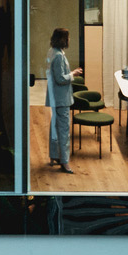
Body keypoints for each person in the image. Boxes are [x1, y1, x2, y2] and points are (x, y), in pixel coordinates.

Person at [43, 27, 81, 173]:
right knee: (64, 130)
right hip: (61, 98)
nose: (69, 40)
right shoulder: (58, 56)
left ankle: (54, 155)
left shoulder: (52, 51)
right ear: (63, 39)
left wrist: (70, 73)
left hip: (55, 97)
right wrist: (73, 74)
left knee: (55, 127)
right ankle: (65, 162)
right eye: (68, 37)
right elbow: (60, 79)